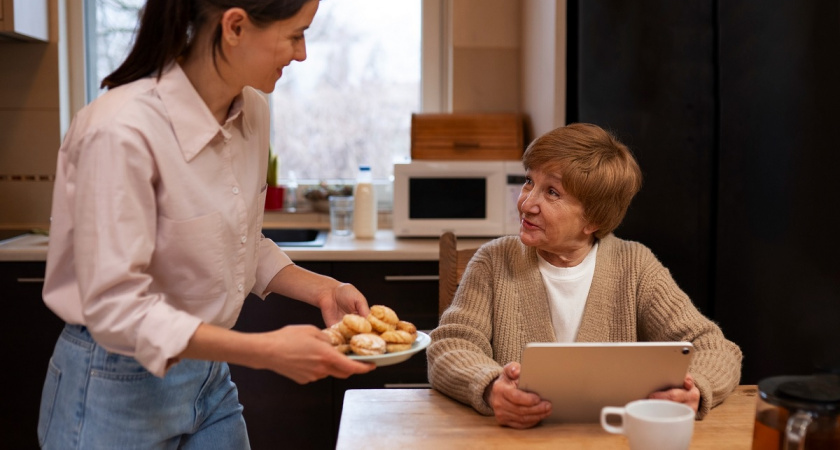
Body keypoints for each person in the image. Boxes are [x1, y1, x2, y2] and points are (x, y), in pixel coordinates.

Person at [37, 1, 374, 447]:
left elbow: (237, 240)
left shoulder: (252, 110)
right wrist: (267, 351)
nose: (303, 54)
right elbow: (117, 308)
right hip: (113, 382)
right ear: (234, 26)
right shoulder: (119, 129)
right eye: (296, 34)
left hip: (207, 379)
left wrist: (323, 289)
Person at [427, 123, 743, 429]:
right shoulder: (493, 261)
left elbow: (714, 347)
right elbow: (451, 345)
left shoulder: (634, 265)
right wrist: (490, 386)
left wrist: (696, 389)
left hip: (608, 438)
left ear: (593, 218)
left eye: (551, 192)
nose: (526, 203)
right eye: (529, 182)